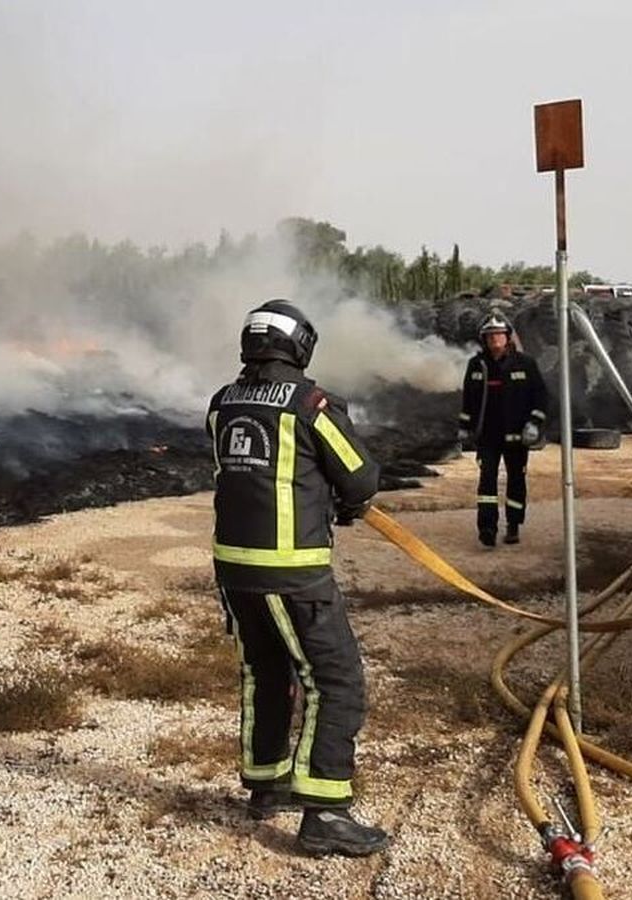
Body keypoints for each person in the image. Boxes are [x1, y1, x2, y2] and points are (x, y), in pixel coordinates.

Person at [206, 298, 388, 857]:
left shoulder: (222, 402)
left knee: (265, 671)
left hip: (233, 567)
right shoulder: (310, 404)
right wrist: (341, 500)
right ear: (298, 345)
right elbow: (360, 477)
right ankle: (326, 812)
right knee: (335, 681)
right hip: (293, 571)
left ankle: (267, 784)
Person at [457, 312, 549, 547]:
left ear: (507, 337)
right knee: (487, 480)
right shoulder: (477, 365)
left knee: (516, 480)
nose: (494, 339)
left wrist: (534, 423)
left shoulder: (525, 363)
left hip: (517, 436)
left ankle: (513, 525)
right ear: (484, 339)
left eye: (499, 334)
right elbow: (468, 400)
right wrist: (465, 427)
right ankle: (487, 528)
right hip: (488, 436)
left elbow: (541, 396)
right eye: (490, 335)